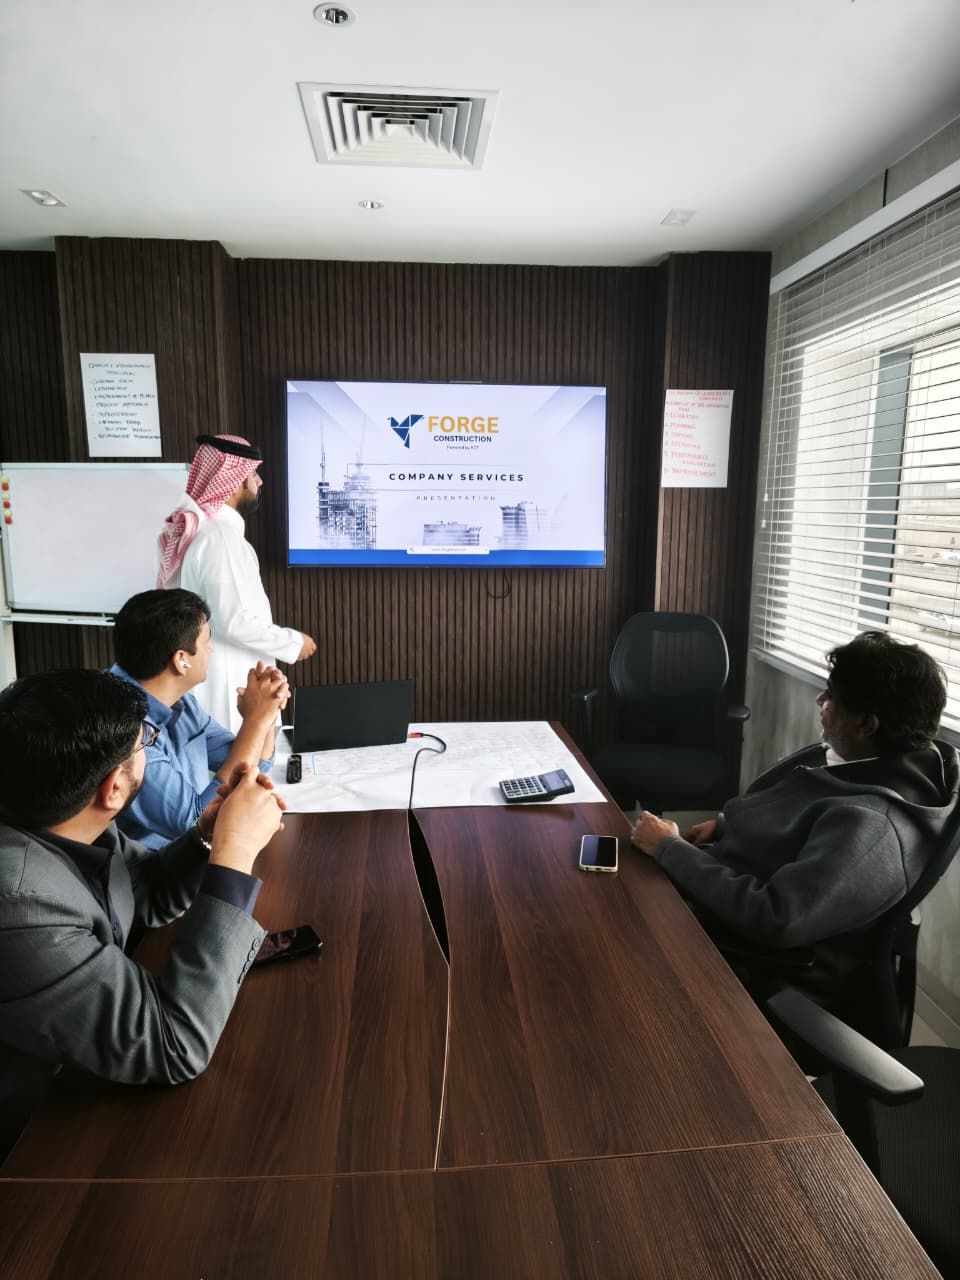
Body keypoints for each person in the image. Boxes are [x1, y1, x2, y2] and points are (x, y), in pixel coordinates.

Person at [0, 669, 285, 1156]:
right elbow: (174, 1045)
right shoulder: (21, 903)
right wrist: (236, 851)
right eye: (145, 745)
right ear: (113, 788)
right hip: (35, 1137)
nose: (148, 752)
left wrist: (206, 836)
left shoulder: (68, 818)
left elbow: (146, 894)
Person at [630, 631, 959, 1006]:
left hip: (740, 960)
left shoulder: (873, 829)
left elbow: (774, 917)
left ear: (867, 725)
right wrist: (724, 826)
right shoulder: (862, 761)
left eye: (831, 696)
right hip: (719, 895)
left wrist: (670, 849)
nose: (820, 700)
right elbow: (798, 820)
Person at [157, 433, 316, 732]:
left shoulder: (207, 533)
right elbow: (233, 620)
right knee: (237, 757)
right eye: (254, 474)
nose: (260, 482)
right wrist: (294, 643)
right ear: (235, 480)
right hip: (228, 682)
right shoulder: (219, 538)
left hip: (221, 675)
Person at [109, 588, 289, 849]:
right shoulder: (121, 725)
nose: (211, 649)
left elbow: (257, 763)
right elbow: (196, 822)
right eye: (207, 642)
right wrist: (256, 720)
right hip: (152, 865)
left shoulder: (181, 702)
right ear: (181, 660)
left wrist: (268, 706)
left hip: (191, 854)